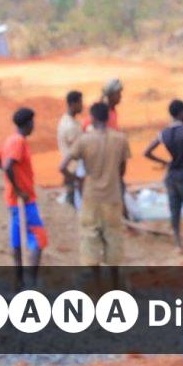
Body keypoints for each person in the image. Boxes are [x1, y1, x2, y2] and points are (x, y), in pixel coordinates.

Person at [61, 102, 132, 285]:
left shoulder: (84, 140)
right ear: (108, 117)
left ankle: (97, 284)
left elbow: (63, 167)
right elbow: (122, 171)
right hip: (113, 197)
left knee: (90, 239)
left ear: (91, 118)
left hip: (91, 197)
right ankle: (115, 285)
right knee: (114, 238)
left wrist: (78, 179)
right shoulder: (120, 139)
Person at [0, 107, 47, 289]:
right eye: (33, 122)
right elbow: (8, 165)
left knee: (17, 239)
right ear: (28, 123)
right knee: (39, 238)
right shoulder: (19, 142)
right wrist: (18, 189)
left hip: (13, 200)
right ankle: (31, 282)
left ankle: (19, 281)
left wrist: (11, 183)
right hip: (24, 200)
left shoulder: (9, 140)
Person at [143, 99, 183, 249]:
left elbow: (147, 152)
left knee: (175, 210)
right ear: (182, 113)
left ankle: (178, 242)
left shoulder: (164, 133)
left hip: (171, 177)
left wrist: (165, 162)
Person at [57, 90, 84, 208]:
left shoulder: (69, 121)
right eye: (80, 102)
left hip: (72, 168)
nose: (82, 105)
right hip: (74, 170)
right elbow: (79, 149)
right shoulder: (70, 126)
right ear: (73, 104)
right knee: (73, 204)